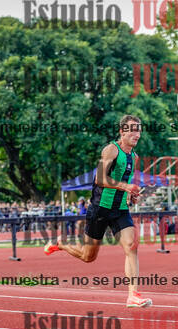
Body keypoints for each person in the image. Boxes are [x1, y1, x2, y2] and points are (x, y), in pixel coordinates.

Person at [44, 115, 151, 307]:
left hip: (120, 209)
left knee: (131, 246)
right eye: (133, 130)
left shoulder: (134, 157)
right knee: (88, 257)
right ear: (122, 131)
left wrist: (131, 195)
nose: (137, 134)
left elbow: (124, 182)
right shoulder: (111, 150)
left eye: (139, 130)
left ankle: (133, 295)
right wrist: (126, 187)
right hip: (100, 209)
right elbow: (99, 179)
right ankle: (61, 243)